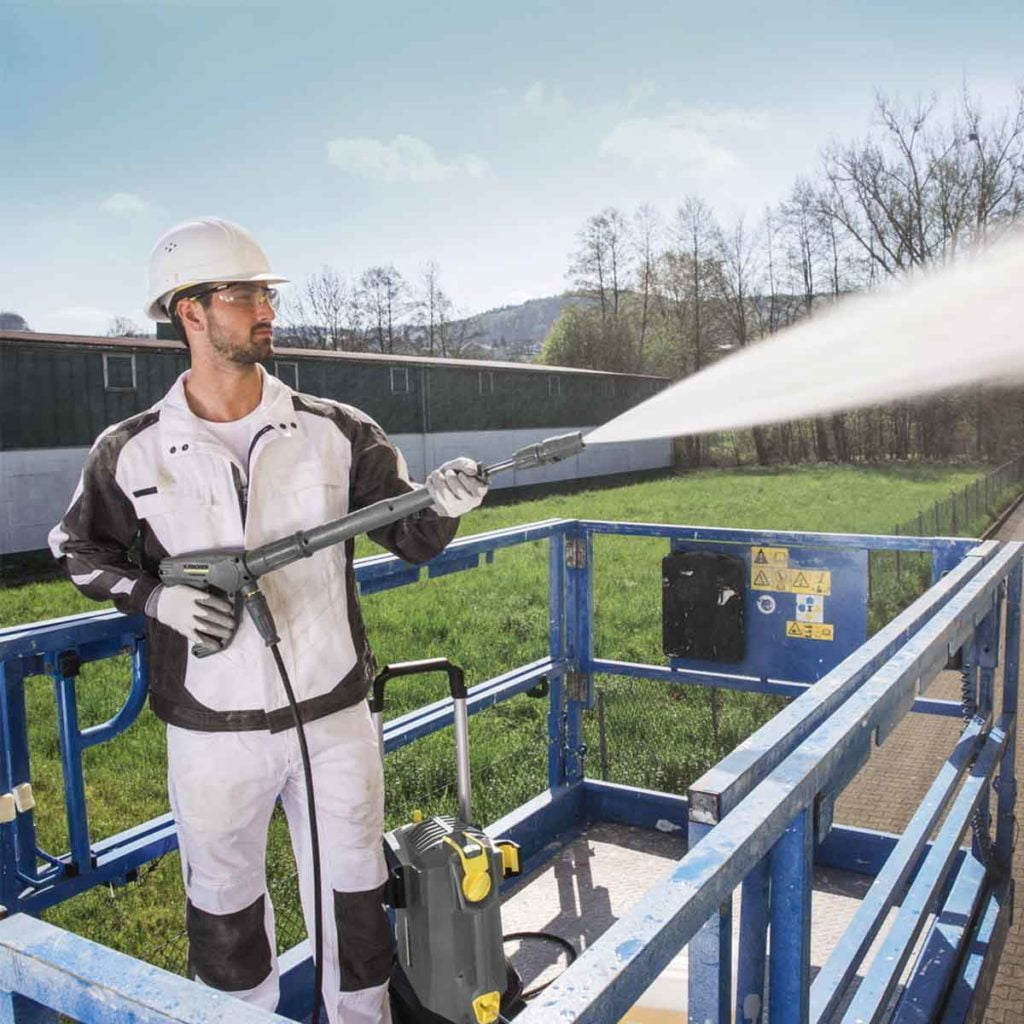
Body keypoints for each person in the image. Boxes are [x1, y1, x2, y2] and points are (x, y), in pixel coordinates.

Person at [48, 217, 487, 1024]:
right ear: (190, 311)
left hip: (334, 718)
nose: (266, 310)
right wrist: (157, 598)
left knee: (356, 904)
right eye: (244, 295)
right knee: (224, 916)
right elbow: (76, 550)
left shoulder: (336, 429)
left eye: (266, 295)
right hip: (211, 734)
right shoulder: (132, 449)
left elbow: (414, 536)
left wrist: (450, 503)